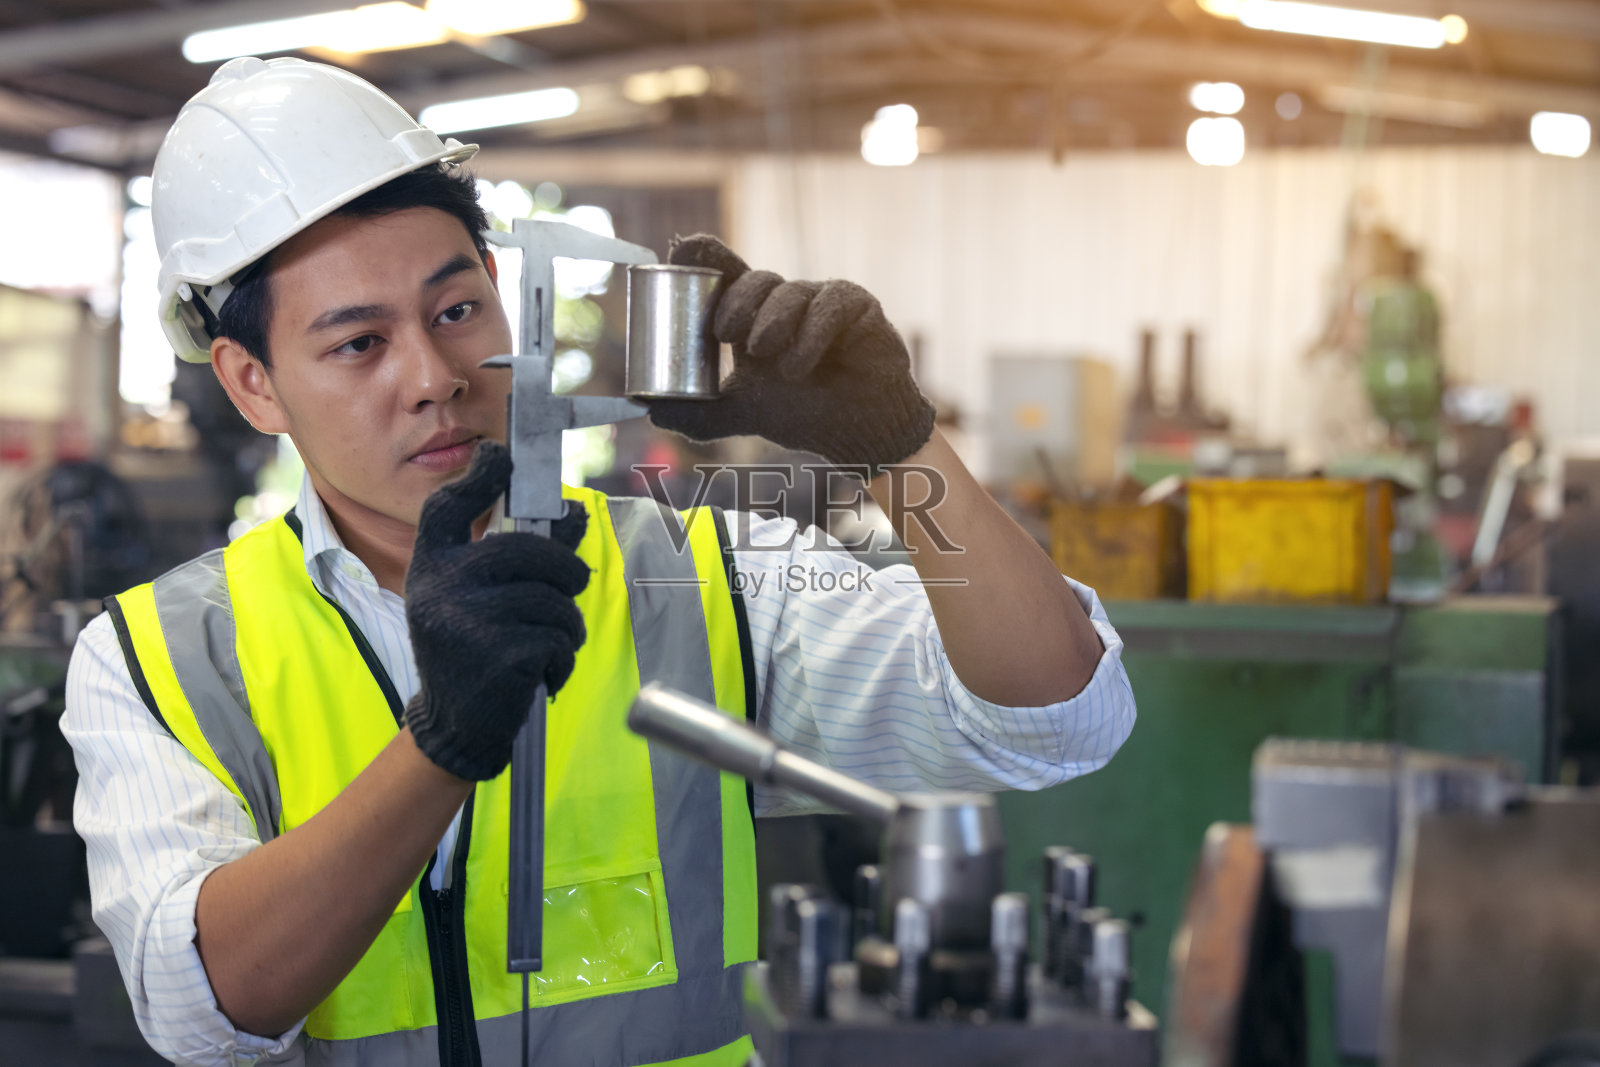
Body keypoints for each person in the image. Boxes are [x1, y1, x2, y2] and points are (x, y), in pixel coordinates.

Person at [63, 57, 1135, 1067]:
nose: (433, 376)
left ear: (500, 289)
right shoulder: (158, 656)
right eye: (358, 343)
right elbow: (202, 1008)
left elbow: (1054, 715)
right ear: (253, 383)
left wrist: (899, 448)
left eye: (455, 311)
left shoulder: (697, 572)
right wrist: (442, 743)